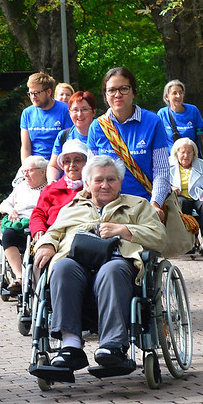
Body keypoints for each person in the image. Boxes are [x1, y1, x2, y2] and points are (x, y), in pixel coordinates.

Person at [33, 155, 167, 370]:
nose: (105, 185)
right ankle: (71, 347)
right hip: (76, 263)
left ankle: (112, 346)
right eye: (98, 180)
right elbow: (53, 232)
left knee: (111, 270)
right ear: (87, 183)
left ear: (120, 182)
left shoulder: (138, 206)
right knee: (61, 267)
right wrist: (47, 245)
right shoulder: (72, 208)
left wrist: (125, 230)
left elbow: (160, 237)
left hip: (117, 263)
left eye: (111, 179)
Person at [86, 67, 171, 219]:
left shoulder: (153, 122)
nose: (117, 94)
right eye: (111, 90)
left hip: (144, 207)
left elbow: (162, 171)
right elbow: (90, 174)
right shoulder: (97, 127)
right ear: (105, 95)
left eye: (123, 89)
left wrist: (155, 204)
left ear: (133, 91)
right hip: (107, 209)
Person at [0, 156, 48, 293]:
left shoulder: (50, 188)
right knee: (7, 235)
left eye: (29, 170)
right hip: (20, 227)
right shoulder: (21, 187)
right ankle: (20, 277)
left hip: (40, 228)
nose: (25, 174)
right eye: (24, 171)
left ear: (43, 172)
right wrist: (11, 210)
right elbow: (3, 204)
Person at [31, 140, 89, 241]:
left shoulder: (93, 190)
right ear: (62, 165)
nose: (72, 165)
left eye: (77, 160)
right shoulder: (52, 189)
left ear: (86, 163)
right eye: (67, 161)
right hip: (54, 238)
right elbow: (38, 214)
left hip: (83, 238)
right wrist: (38, 229)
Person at [169, 138, 203, 253]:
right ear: (176, 153)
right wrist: (171, 188)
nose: (186, 155)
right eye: (182, 152)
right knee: (183, 203)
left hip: (199, 196)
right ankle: (190, 240)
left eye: (189, 152)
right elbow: (162, 182)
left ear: (194, 153)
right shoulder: (168, 165)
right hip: (179, 197)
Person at [20, 72, 72, 163]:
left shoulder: (65, 110)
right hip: (34, 164)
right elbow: (25, 148)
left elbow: (69, 144)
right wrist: (26, 167)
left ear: (48, 92)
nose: (33, 97)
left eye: (36, 93)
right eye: (30, 93)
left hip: (58, 162)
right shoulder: (27, 113)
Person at [157, 79, 203, 162]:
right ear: (167, 96)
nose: (178, 96)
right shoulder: (162, 113)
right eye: (174, 93)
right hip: (172, 160)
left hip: (191, 159)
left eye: (181, 92)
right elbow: (157, 138)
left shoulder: (193, 110)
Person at [47, 91, 96, 182]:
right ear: (69, 113)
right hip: (69, 189)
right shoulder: (64, 135)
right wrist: (53, 183)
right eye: (75, 110)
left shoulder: (103, 134)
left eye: (84, 109)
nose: (79, 114)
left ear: (93, 112)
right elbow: (54, 166)